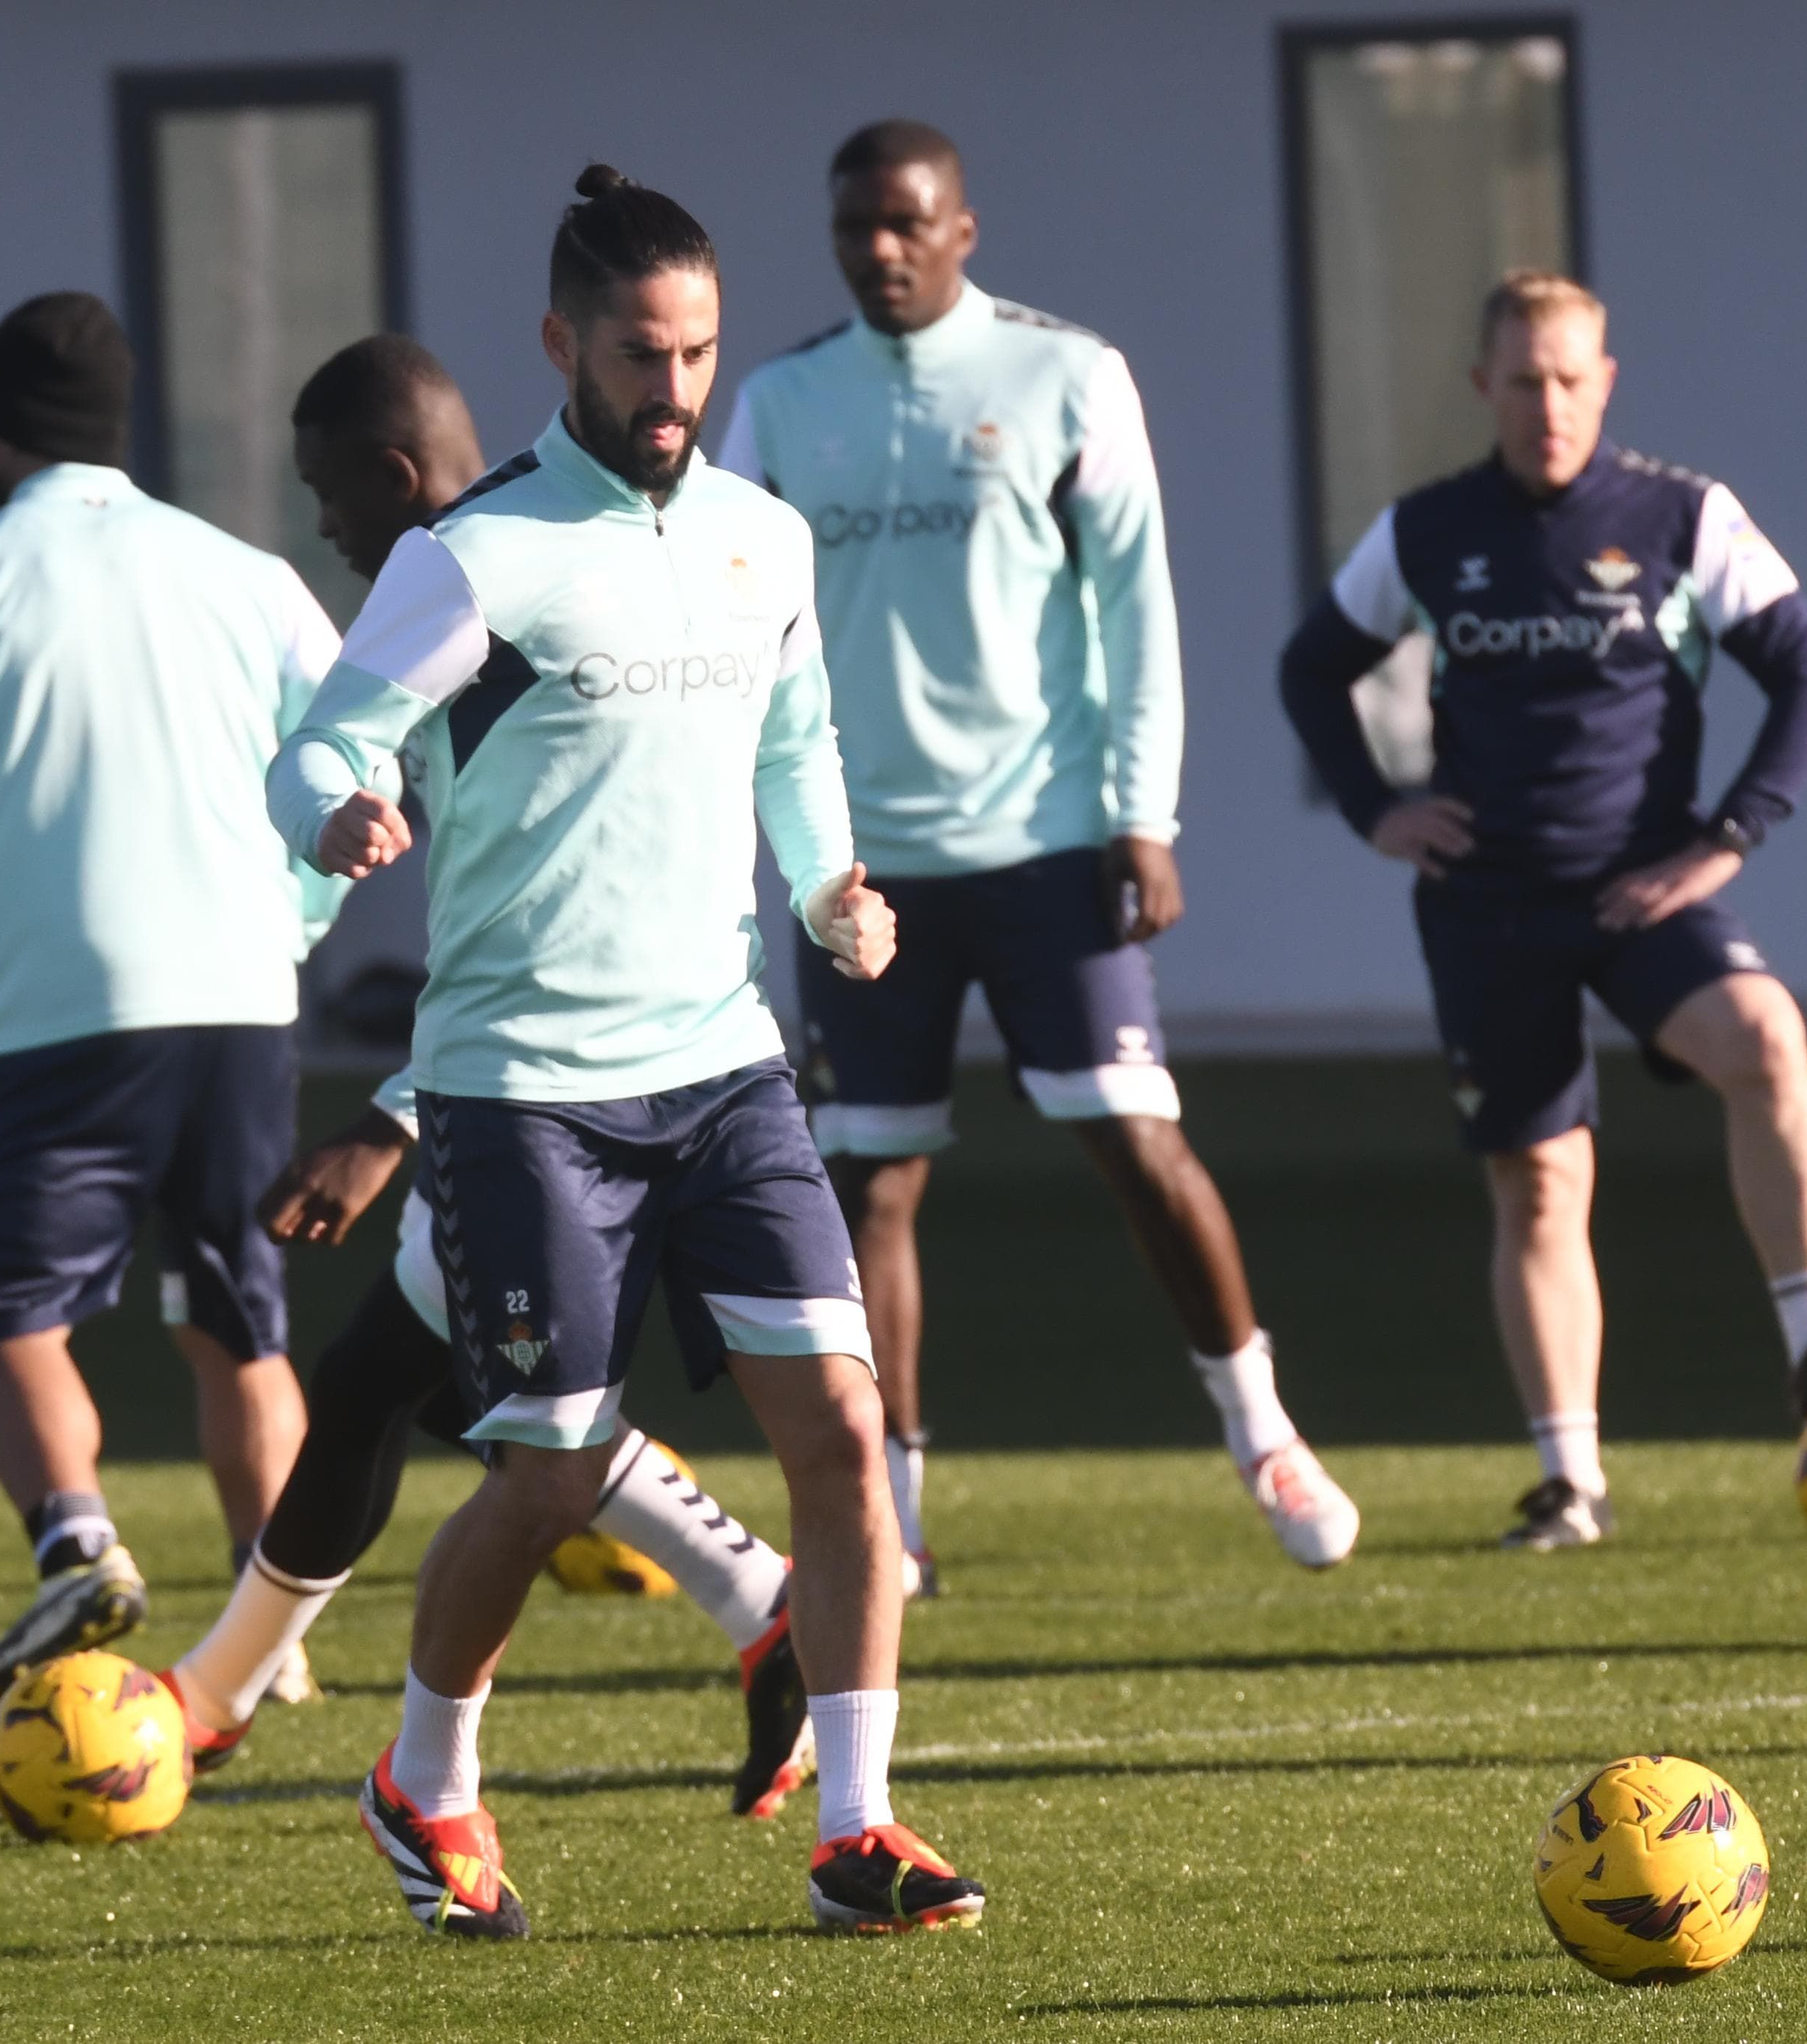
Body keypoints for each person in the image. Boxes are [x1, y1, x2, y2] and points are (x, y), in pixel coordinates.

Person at [266, 167, 984, 1940]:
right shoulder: (477, 555)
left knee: (838, 1422)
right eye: (641, 356)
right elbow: (314, 744)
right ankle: (424, 1776)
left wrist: (829, 883)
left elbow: (797, 742)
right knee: (555, 1470)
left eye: (697, 353)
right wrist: (345, 811)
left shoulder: (761, 534)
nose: (673, 389)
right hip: (522, 1092)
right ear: (561, 346)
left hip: (724, 1066)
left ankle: (858, 1822)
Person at [153, 334, 820, 1826]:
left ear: (395, 479)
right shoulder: (475, 594)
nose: (321, 527)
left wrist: (391, 1124)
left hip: (590, 1099)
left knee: (494, 1421)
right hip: (521, 1082)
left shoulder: (507, 580)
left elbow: (583, 925)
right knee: (409, 1391)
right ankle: (758, 1600)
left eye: (329, 496)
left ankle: (318, 1733)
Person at [717, 119, 1358, 1589]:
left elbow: (1135, 607)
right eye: (852, 228)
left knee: (1135, 1139)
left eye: (904, 223)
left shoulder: (1069, 378)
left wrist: (1147, 813)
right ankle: (891, 1510)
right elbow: (733, 611)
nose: (877, 249)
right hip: (863, 868)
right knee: (869, 1183)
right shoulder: (779, 401)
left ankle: (1260, 1425)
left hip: (1049, 841)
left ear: (962, 229)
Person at [1277, 271, 1807, 1550]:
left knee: (1765, 1039)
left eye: (1569, 378)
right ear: (1483, 389)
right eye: (1521, 381)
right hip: (1488, 905)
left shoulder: (1683, 515)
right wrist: (1378, 808)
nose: (1546, 405)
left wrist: (1728, 839)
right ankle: (1568, 1485)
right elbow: (1313, 667)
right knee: (1537, 1182)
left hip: (1643, 885)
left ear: (1606, 382)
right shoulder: (1427, 531)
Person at [0, 292, 344, 1716]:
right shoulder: (246, 570)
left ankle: (77, 1544)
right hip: (242, 996)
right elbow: (356, 763)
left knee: (9, 1309)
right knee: (237, 1318)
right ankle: (273, 1630)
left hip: (62, 1003)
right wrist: (295, 922)